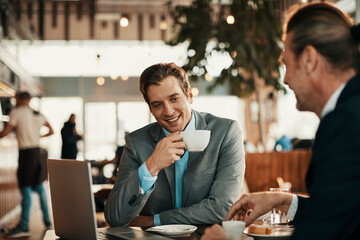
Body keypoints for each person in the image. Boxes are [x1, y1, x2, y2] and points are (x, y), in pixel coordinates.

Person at [201, 2, 360, 240]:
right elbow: (338, 214)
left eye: (286, 63)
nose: (285, 79)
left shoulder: (345, 124)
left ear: (309, 59)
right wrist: (283, 200)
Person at [104, 63, 245, 227]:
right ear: (150, 108)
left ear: (189, 96)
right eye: (157, 104)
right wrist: (151, 167)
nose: (168, 111)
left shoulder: (226, 133)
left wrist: (155, 220)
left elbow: (222, 208)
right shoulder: (137, 143)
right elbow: (114, 217)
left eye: (174, 99)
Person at [0, 91, 54, 238]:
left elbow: (5, 132)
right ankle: (48, 221)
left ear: (18, 98)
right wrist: (38, 136)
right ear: (29, 100)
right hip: (38, 153)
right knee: (39, 186)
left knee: (25, 189)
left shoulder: (16, 112)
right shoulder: (37, 113)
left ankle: (24, 226)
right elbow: (51, 131)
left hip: (26, 155)